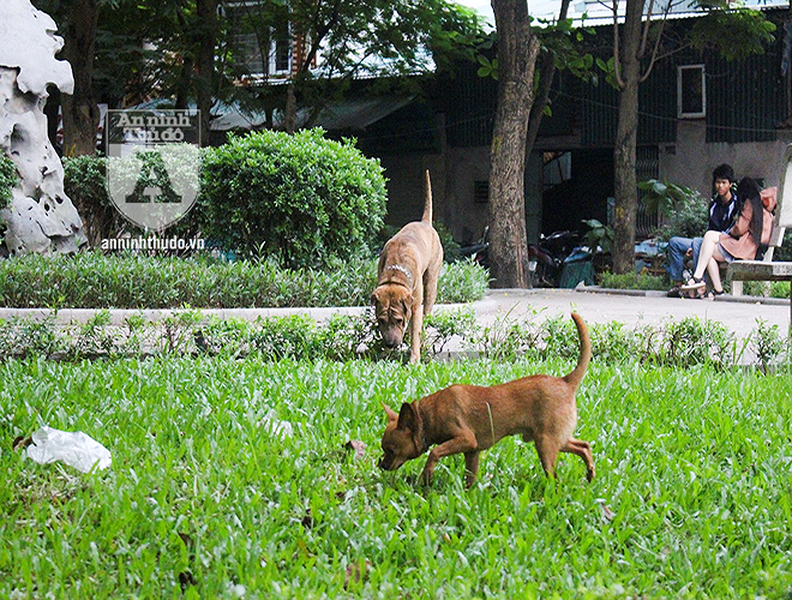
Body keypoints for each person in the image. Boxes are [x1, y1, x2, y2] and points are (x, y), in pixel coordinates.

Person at [681, 177, 777, 298]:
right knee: (708, 251)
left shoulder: (750, 204)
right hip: (752, 250)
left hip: (746, 251)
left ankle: (697, 278)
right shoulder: (763, 206)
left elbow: (740, 229)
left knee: (709, 236)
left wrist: (729, 232)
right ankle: (718, 291)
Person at [666, 163, 740, 297]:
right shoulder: (713, 204)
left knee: (699, 243)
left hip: (723, 244)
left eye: (724, 182)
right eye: (718, 182)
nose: (720, 186)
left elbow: (732, 231)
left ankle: (697, 287)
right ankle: (678, 284)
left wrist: (701, 243)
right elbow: (709, 229)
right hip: (708, 240)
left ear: (730, 184)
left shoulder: (736, 204)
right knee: (674, 242)